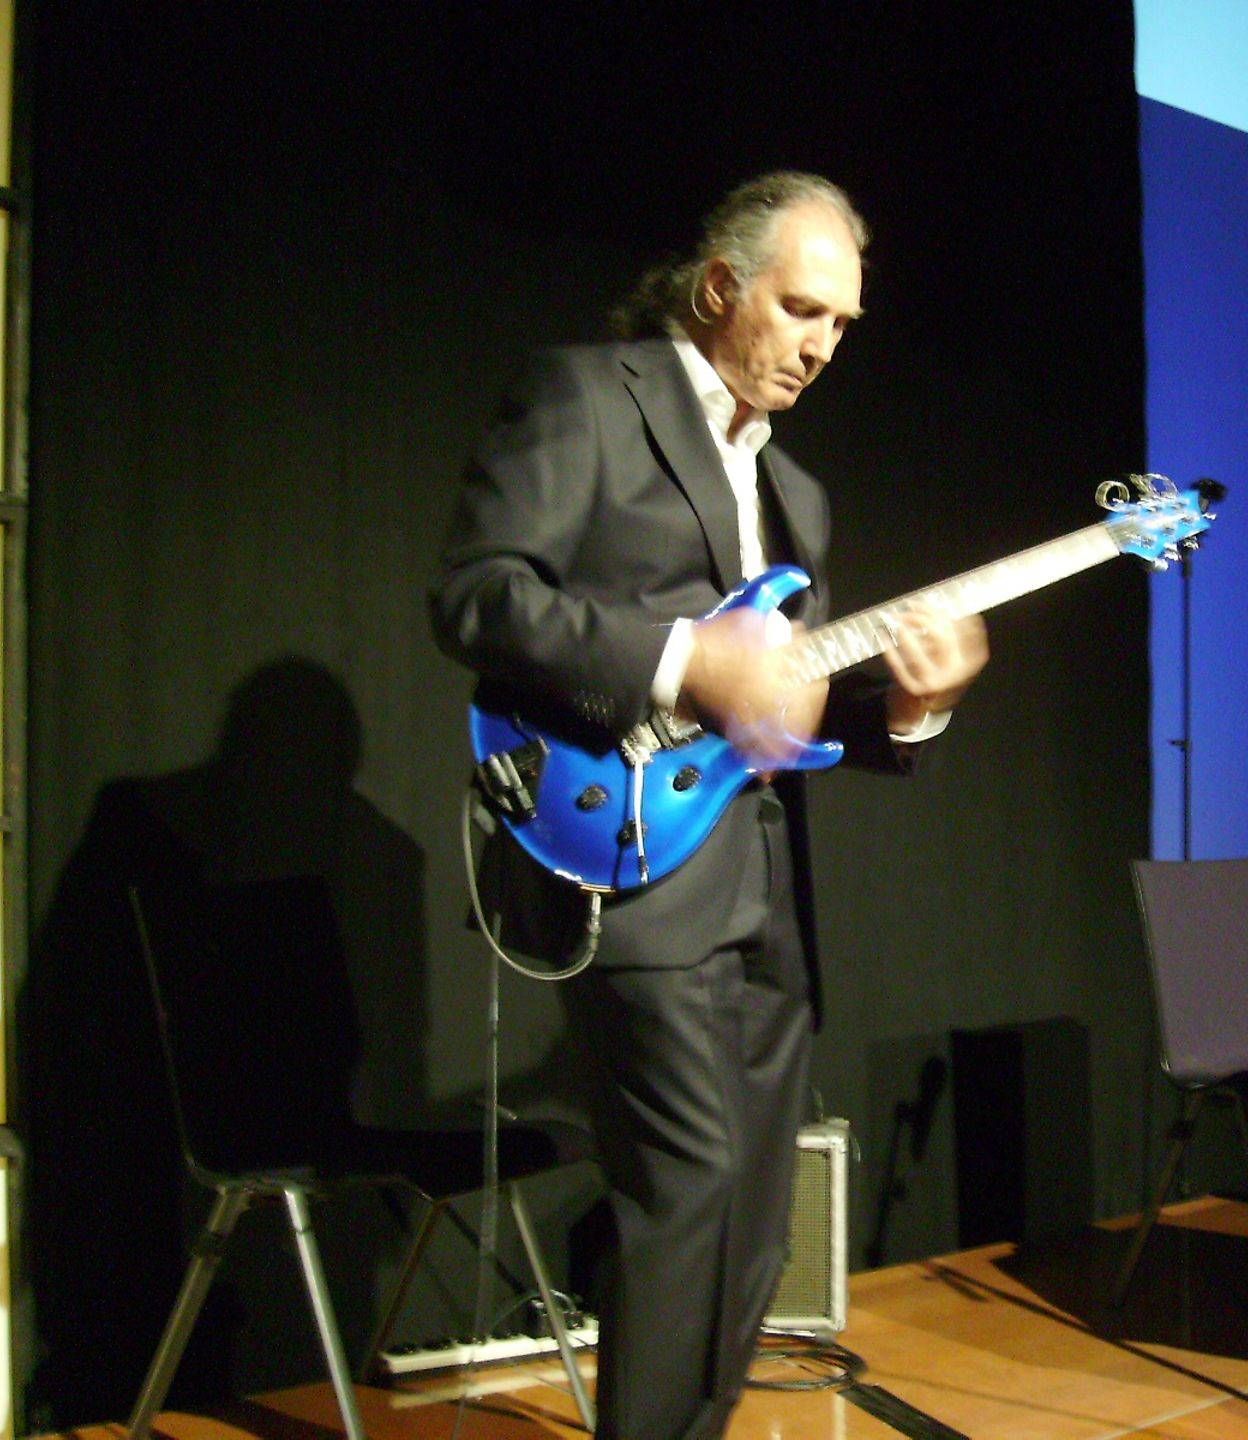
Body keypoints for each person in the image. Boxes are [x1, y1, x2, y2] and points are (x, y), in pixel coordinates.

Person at [431, 172, 988, 1440]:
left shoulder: (797, 494)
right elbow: (475, 598)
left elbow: (782, 710)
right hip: (625, 859)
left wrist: (911, 705)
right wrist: (685, 659)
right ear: (719, 286)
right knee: (682, 1187)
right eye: (800, 309)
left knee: (749, 1213)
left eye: (840, 325)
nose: (819, 345)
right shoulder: (586, 395)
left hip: (760, 880)